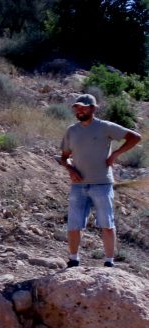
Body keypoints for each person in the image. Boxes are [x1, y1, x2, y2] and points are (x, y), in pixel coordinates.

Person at [59, 93, 142, 267]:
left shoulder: (105, 127)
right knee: (74, 224)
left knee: (107, 224)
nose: (80, 110)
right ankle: (73, 260)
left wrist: (115, 154)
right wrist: (70, 169)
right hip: (78, 185)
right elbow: (64, 157)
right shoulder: (71, 131)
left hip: (102, 184)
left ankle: (109, 263)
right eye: (77, 107)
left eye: (84, 107)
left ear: (93, 108)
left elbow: (135, 137)